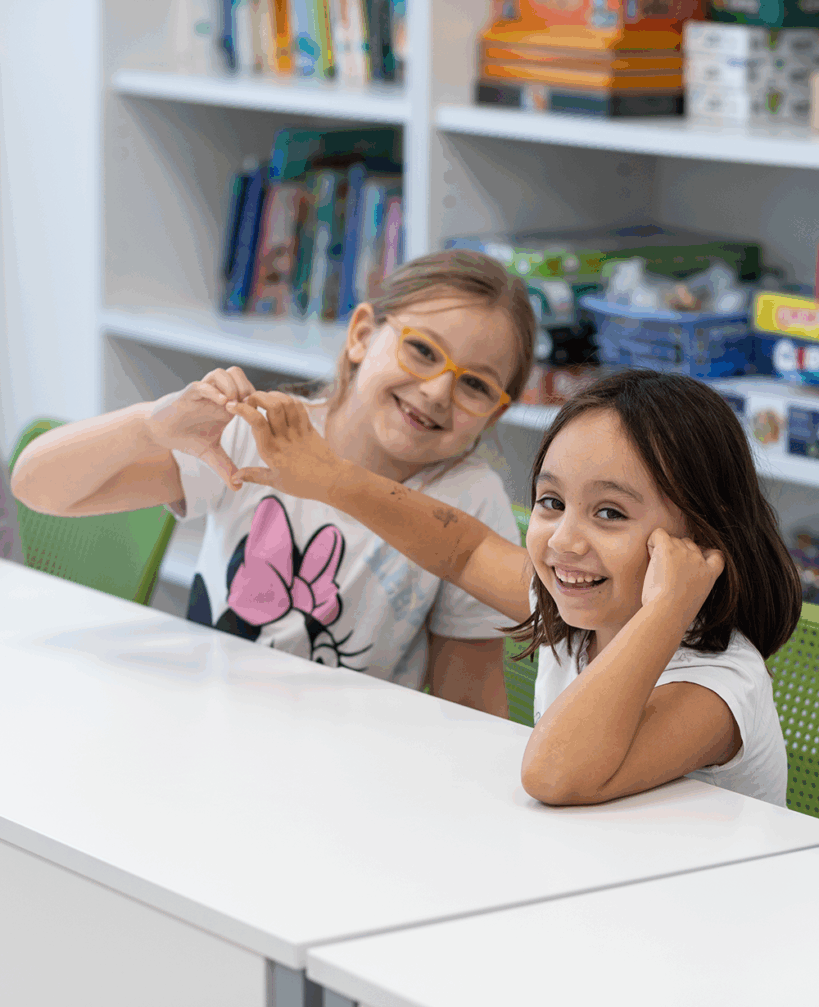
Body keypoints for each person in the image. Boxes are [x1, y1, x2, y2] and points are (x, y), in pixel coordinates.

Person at [223, 368, 802, 807]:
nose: (564, 540)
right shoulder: (585, 607)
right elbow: (463, 549)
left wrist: (669, 609)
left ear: (699, 538)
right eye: (552, 501)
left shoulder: (716, 686)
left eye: (609, 513)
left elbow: (554, 775)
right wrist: (330, 479)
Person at [10, 250, 536, 716]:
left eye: (475, 385)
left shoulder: (470, 499)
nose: (438, 391)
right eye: (422, 350)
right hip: (207, 725)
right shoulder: (256, 433)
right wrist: (147, 424)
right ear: (361, 335)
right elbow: (36, 488)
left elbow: (468, 699)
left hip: (349, 763)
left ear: (494, 414)